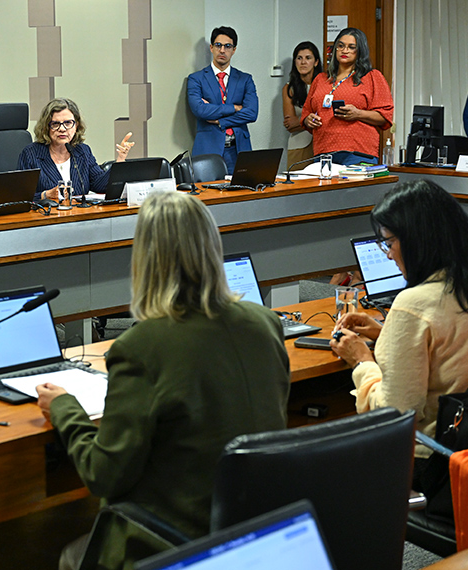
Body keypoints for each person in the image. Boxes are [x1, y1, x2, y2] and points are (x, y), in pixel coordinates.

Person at [36, 191, 290, 570]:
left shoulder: (140, 346)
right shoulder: (265, 323)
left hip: (176, 539)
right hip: (260, 527)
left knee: (70, 556)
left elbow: (104, 476)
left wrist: (64, 408)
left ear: (145, 259)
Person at [330, 179, 468, 467]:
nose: (388, 254)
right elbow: (459, 350)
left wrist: (361, 361)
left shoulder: (414, 303)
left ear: (417, 241)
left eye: (390, 242)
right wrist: (390, 334)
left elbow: (393, 414)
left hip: (436, 461)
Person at [301, 27, 393, 165]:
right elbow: (306, 112)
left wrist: (358, 114)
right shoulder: (320, 79)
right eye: (341, 46)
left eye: (351, 47)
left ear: (360, 51)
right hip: (324, 151)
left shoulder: (372, 77)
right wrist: (309, 120)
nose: (345, 51)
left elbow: (385, 116)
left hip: (357, 151)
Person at [17, 98, 134, 202]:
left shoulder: (82, 151)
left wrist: (121, 159)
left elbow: (100, 185)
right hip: (45, 220)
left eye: (68, 123)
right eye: (55, 124)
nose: (62, 129)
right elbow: (19, 197)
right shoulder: (31, 154)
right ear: (46, 127)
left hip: (79, 219)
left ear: (76, 125)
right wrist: (46, 194)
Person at [187, 26, 258, 174]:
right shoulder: (196, 79)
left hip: (238, 149)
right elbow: (200, 110)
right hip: (208, 149)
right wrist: (235, 108)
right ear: (211, 48)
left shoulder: (245, 79)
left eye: (228, 46)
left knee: (243, 194)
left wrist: (221, 121)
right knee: (208, 195)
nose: (222, 50)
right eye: (218, 45)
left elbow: (252, 113)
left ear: (234, 50)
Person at [283, 41, 323, 166]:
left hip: (323, 144)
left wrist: (301, 121)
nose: (303, 62)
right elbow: (290, 124)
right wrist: (315, 118)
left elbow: (329, 117)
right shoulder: (289, 88)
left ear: (316, 62)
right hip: (299, 145)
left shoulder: (325, 85)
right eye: (299, 58)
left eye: (308, 58)